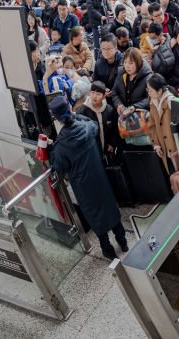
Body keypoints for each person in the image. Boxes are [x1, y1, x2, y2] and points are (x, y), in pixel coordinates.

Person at [47, 96, 127, 260]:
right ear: (69, 108)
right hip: (100, 178)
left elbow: (58, 166)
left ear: (55, 117)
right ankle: (123, 241)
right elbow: (93, 125)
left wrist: (50, 148)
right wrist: (74, 115)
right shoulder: (87, 127)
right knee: (110, 207)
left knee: (95, 215)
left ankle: (107, 249)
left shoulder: (61, 146)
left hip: (83, 186)